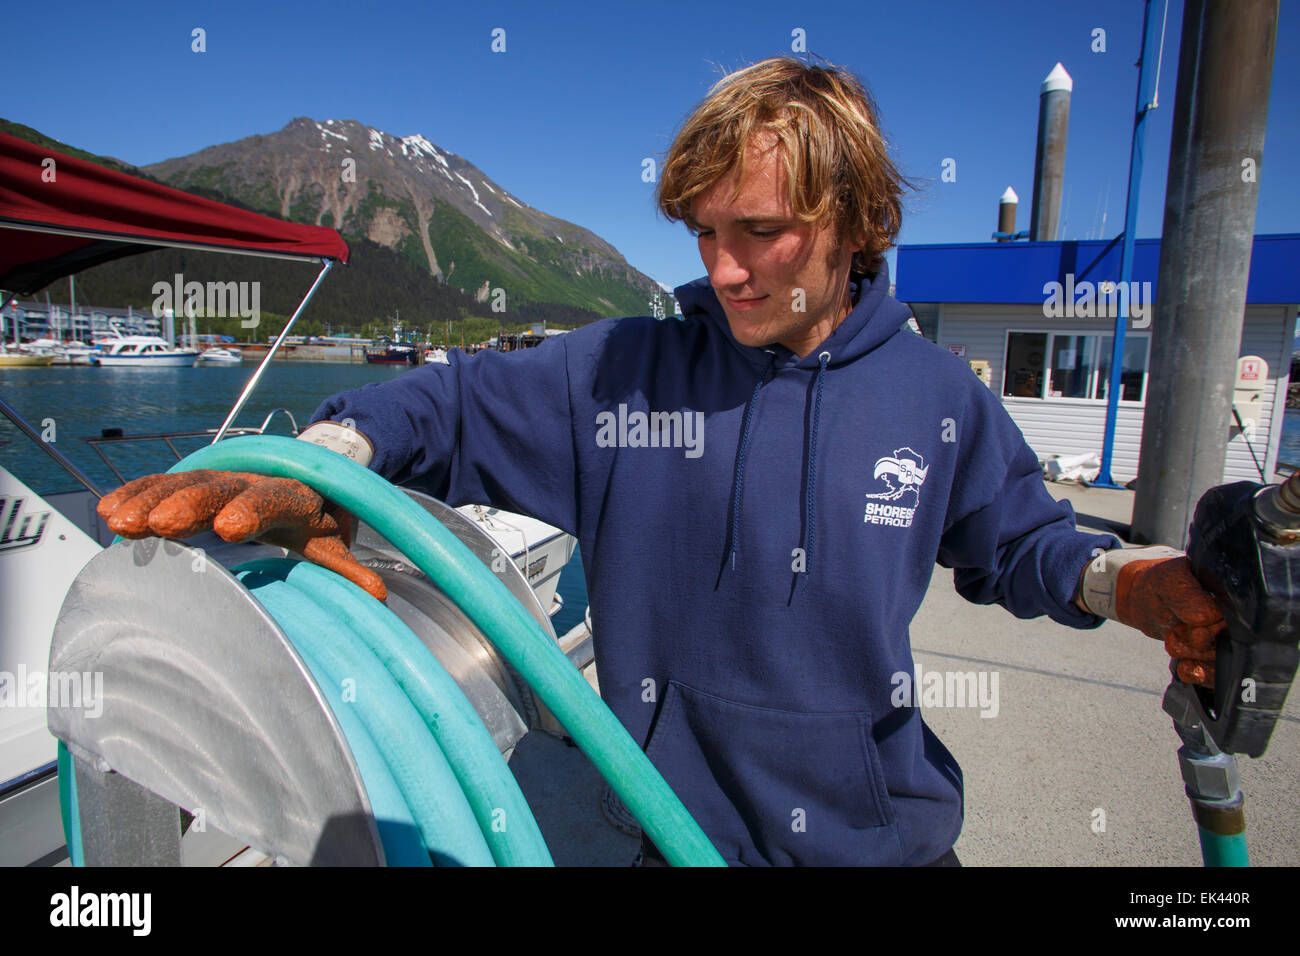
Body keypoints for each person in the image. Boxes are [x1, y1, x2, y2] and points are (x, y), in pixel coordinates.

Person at [99, 57, 1223, 866]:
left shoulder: (934, 401)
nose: (724, 270)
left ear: (856, 221)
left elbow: (1021, 543)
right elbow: (444, 402)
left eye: (761, 231)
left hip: (879, 843)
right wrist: (325, 459)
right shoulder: (622, 374)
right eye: (703, 231)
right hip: (660, 830)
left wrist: (1129, 580)